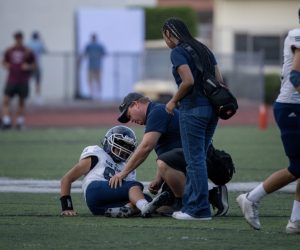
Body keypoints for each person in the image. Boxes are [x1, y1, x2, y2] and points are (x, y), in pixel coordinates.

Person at [109, 92, 230, 218]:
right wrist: (158, 180)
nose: (131, 120)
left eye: (129, 115)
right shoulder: (155, 114)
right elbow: (168, 153)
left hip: (203, 159)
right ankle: (213, 195)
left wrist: (123, 173)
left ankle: (187, 203)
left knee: (163, 164)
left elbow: (146, 147)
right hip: (191, 160)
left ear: (136, 104)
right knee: (162, 209)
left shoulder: (157, 111)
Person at [236, 9, 300, 234]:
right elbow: (296, 76)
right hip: (293, 107)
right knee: (297, 167)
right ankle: (251, 198)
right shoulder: (298, 35)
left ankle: (296, 220)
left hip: (295, 107)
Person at [162, 18, 224, 220]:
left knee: (194, 161)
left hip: (193, 109)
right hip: (212, 110)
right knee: (200, 159)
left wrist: (172, 101)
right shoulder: (204, 48)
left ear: (169, 34)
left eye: (165, 37)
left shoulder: (178, 51)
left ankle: (198, 210)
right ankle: (195, 204)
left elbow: (187, 81)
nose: (166, 41)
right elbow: (219, 81)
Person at [60, 125, 168, 217]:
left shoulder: (127, 167)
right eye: (120, 143)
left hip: (100, 208)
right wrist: (67, 207)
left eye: (127, 147)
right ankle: (144, 208)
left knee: (146, 197)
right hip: (94, 191)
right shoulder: (97, 154)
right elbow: (66, 179)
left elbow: (128, 193)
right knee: (134, 186)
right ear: (109, 141)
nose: (123, 149)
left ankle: (126, 209)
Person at [1, 31, 35, 129]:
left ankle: (20, 122)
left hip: (23, 80)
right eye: (16, 38)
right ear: (14, 38)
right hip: (11, 79)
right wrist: (6, 65)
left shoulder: (28, 51)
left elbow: (34, 65)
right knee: (6, 100)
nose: (18, 39)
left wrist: (28, 67)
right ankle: (6, 121)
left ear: (22, 38)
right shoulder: (9, 50)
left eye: (20, 38)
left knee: (21, 101)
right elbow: (3, 62)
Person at [81, 33, 106, 99]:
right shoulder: (89, 46)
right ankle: (92, 94)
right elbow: (84, 54)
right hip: (91, 67)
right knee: (90, 81)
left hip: (98, 66)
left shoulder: (99, 46)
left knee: (98, 81)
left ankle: (98, 95)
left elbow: (104, 53)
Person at [27, 31, 47, 104]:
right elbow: (45, 51)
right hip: (37, 65)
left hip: (29, 65)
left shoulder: (27, 43)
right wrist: (42, 41)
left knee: (27, 80)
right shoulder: (39, 43)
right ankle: (37, 97)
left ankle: (26, 96)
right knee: (37, 81)